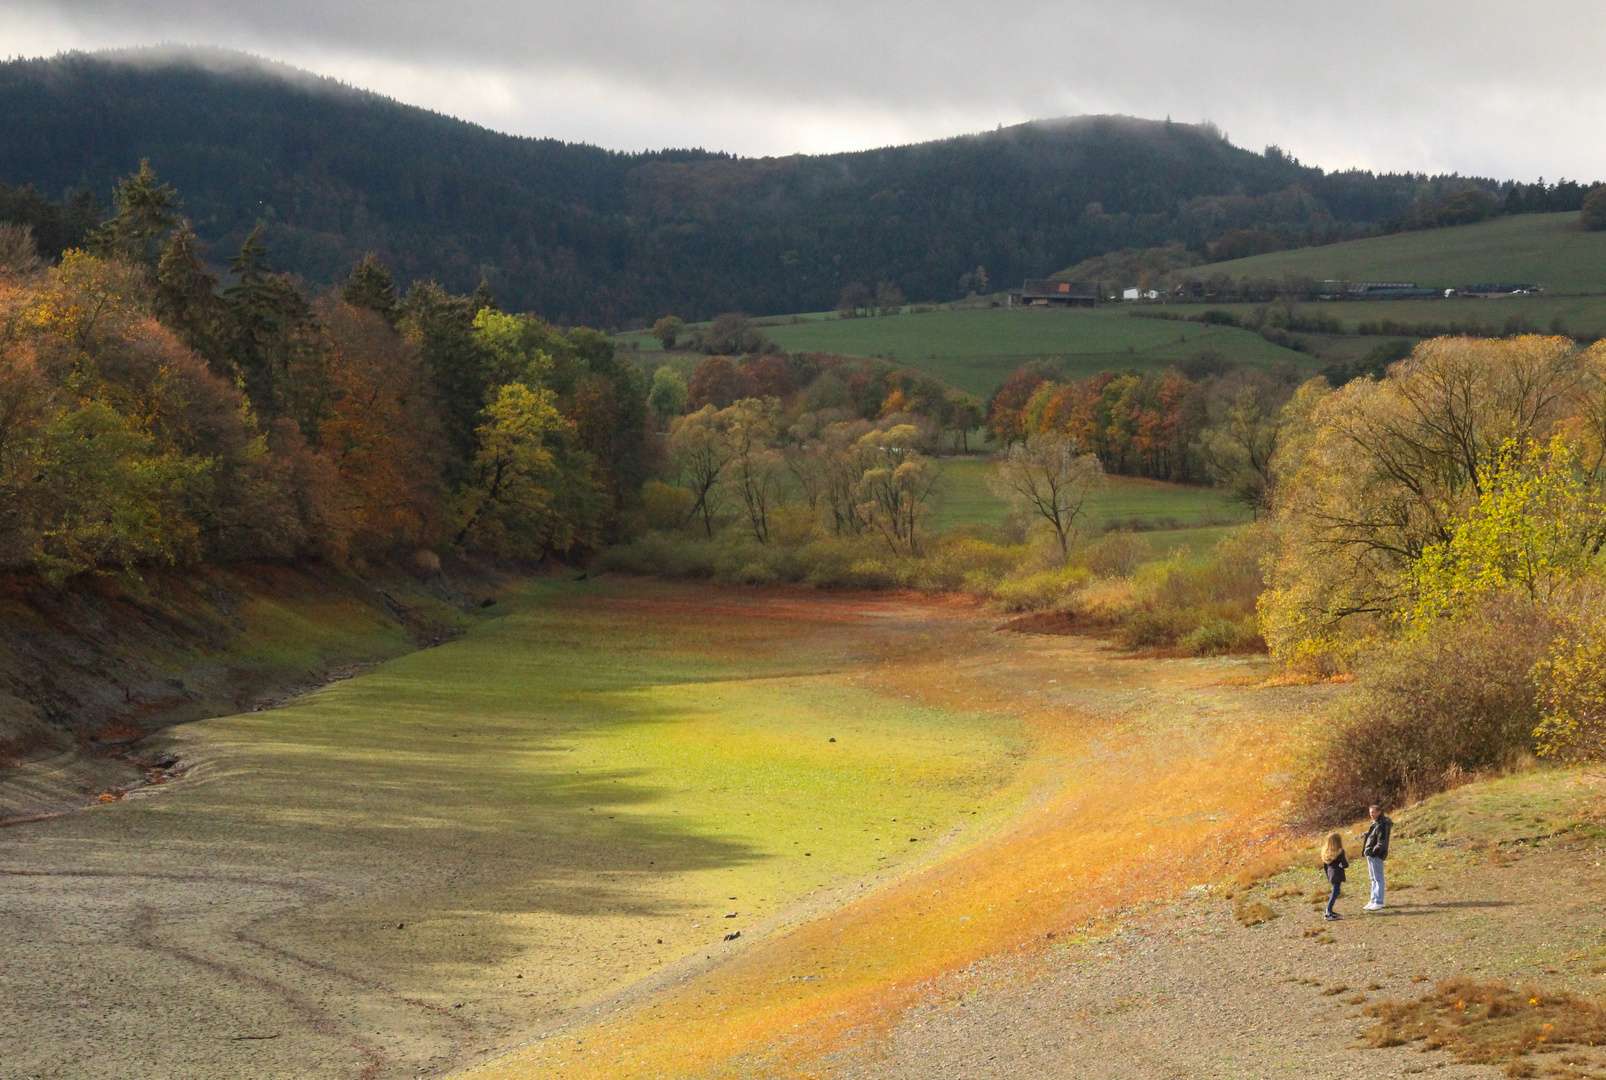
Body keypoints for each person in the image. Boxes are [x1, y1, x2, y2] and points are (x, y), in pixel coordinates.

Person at [1361, 804, 1392, 911]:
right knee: (1373, 878)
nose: (1371, 815)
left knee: (1378, 878)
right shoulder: (1375, 823)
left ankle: (1379, 901)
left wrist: (1373, 852)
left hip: (1376, 855)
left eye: (1373, 812)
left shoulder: (1382, 824)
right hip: (1370, 854)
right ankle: (1373, 899)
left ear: (1379, 812)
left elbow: (1382, 842)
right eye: (1370, 813)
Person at [1320, 832, 1348, 920]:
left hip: (1331, 875)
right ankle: (1328, 911)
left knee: (1336, 891)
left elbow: (1325, 866)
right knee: (1335, 892)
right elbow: (1345, 864)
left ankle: (1330, 910)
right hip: (1337, 874)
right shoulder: (1340, 852)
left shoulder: (1326, 853)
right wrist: (1343, 865)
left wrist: (1328, 876)